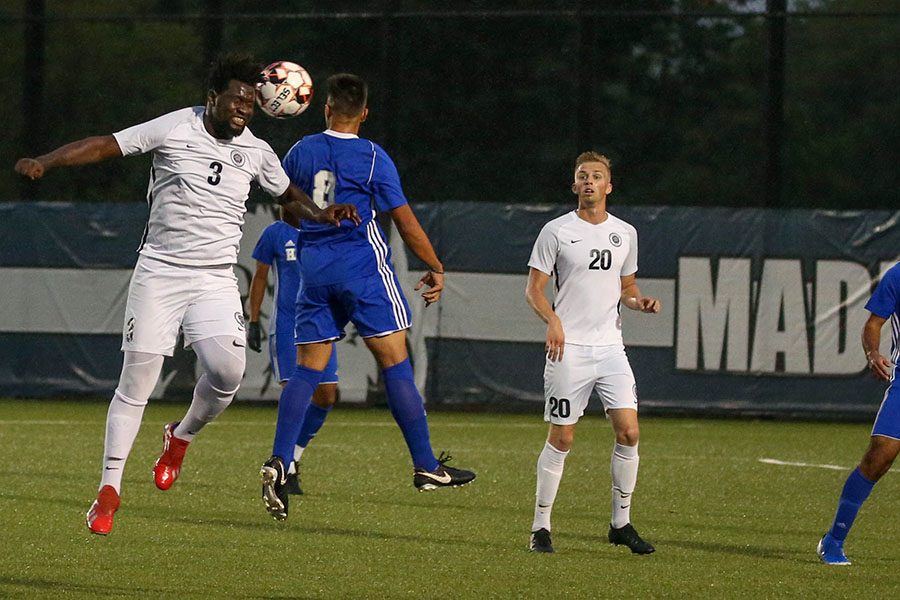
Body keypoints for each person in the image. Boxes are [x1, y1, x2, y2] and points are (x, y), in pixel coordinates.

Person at [14, 53, 359, 536]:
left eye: (250, 103)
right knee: (138, 381)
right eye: (236, 99)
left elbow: (288, 197)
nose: (244, 107)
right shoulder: (176, 127)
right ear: (212, 98)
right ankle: (107, 490)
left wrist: (322, 215)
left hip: (214, 278)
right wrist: (46, 162)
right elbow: (105, 146)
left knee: (227, 372)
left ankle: (180, 437)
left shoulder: (257, 151)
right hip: (160, 271)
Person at [258, 73, 475, 522]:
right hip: (361, 267)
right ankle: (426, 465)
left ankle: (280, 459)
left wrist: (317, 231)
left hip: (313, 271)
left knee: (307, 372)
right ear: (365, 113)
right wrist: (435, 265)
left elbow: (287, 209)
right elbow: (405, 219)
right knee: (396, 362)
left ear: (325, 108)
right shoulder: (373, 157)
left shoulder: (300, 151)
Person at [524, 151, 660, 554]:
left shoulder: (625, 233)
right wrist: (552, 320)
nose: (589, 182)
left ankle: (621, 523)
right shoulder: (557, 231)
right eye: (582, 176)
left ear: (608, 186)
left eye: (596, 176)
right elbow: (533, 289)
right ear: (574, 186)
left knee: (630, 432)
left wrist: (639, 303)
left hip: (611, 348)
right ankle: (541, 527)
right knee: (563, 438)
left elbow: (627, 289)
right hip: (570, 350)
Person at [247, 206, 340, 494]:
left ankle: (294, 458)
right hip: (287, 326)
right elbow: (260, 276)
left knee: (326, 396)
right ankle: (281, 467)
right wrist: (253, 318)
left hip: (320, 327)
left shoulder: (324, 232)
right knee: (295, 395)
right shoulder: (275, 233)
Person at [817, 262, 899, 565]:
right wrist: (873, 354)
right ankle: (834, 540)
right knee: (881, 456)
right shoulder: (898, 275)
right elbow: (873, 324)